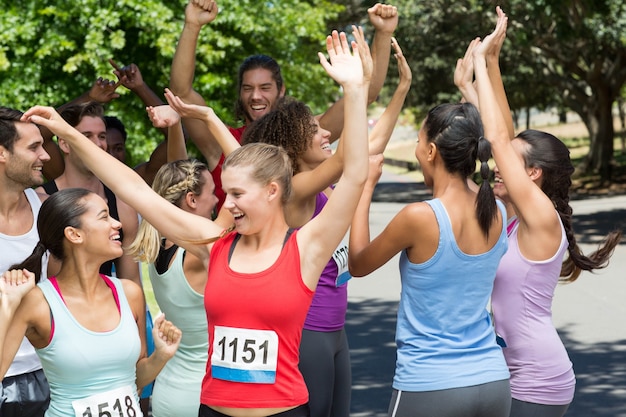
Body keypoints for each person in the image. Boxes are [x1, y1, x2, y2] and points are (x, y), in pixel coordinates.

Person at [21, 28, 369, 417]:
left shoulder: (306, 248)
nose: (227, 203)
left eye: (237, 195)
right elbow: (133, 188)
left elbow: (354, 172)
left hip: (283, 410)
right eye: (226, 192)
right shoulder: (213, 242)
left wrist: (355, 90)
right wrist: (68, 133)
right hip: (212, 410)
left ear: (273, 191)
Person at [235, 35, 411, 417]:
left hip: (336, 326)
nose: (324, 133)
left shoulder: (323, 184)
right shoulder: (293, 191)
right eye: (314, 131)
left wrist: (400, 90)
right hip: (307, 329)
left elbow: (369, 144)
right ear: (293, 143)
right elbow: (351, 153)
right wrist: (357, 88)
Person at [471, 8, 622, 417]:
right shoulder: (519, 214)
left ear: (533, 174)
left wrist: (482, 66)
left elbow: (500, 137)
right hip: (512, 372)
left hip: (538, 379)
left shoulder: (540, 215)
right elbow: (502, 129)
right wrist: (492, 65)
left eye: (510, 161)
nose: (495, 165)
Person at [348, 103, 512, 415]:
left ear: (432, 151)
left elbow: (357, 263)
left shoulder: (420, 217)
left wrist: (365, 186)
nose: (417, 149)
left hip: (430, 384)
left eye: (418, 142)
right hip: (493, 381)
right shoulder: (498, 212)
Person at [169, 0, 398, 210]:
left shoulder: (304, 133)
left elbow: (365, 95)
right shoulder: (220, 142)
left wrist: (384, 32)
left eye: (265, 88)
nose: (255, 96)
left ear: (281, 90)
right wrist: (192, 25)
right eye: (247, 88)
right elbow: (181, 93)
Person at [0, 187, 182, 417]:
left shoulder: (129, 293)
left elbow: (135, 377)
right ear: (74, 235)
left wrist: (161, 355)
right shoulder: (38, 303)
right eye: (104, 217)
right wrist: (9, 304)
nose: (117, 224)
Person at [35, 102, 141, 286]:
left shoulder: (122, 203)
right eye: (86, 137)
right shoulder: (40, 201)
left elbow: (131, 280)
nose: (98, 144)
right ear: (65, 144)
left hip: (108, 307)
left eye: (101, 136)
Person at [0, 106, 56, 417]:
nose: (45, 155)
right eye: (33, 147)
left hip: (44, 371)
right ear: (2, 153)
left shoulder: (46, 209)